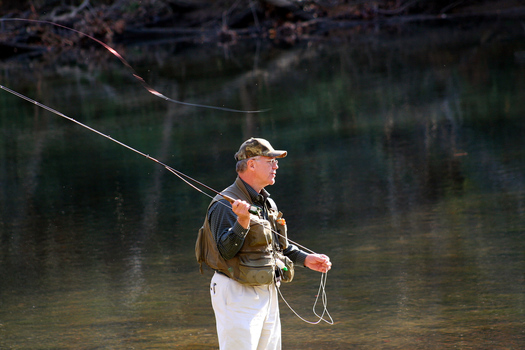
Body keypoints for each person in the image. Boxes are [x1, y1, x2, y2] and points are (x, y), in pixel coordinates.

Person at [195, 137, 332, 350]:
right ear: (251, 164)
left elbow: (279, 247)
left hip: (267, 291)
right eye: (270, 161)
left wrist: (307, 259)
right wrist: (242, 221)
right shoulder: (224, 204)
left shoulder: (266, 202)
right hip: (236, 291)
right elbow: (225, 251)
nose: (276, 166)